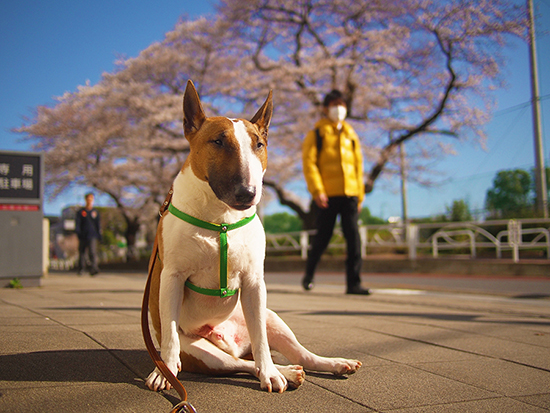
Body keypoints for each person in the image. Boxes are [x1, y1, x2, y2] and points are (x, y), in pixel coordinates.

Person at [301, 89, 370, 295]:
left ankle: (353, 283)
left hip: (350, 195)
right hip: (327, 196)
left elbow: (359, 166)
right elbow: (309, 163)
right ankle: (309, 275)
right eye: (334, 105)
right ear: (325, 109)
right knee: (322, 238)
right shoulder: (317, 133)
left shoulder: (351, 134)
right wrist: (317, 190)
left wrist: (359, 194)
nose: (339, 109)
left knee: (354, 238)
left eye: (342, 105)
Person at [75, 193, 101, 276]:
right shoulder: (81, 212)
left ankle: (94, 268)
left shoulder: (95, 212)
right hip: (83, 235)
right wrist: (78, 232)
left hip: (92, 235)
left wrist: (99, 234)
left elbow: (97, 224)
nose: (89, 201)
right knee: (82, 252)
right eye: (88, 199)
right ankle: (81, 268)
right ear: (85, 200)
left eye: (91, 199)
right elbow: (78, 223)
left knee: (92, 252)